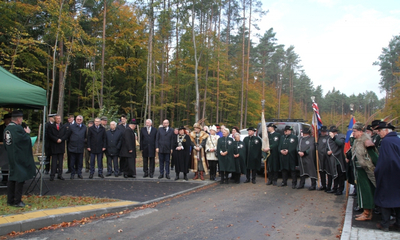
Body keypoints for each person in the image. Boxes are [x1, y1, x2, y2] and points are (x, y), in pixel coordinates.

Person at [3, 110, 35, 207]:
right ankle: (17, 201)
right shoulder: (18, 129)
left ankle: (10, 200)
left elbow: (6, 143)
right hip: (19, 157)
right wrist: (27, 133)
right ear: (18, 119)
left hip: (11, 156)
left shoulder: (7, 129)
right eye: (21, 118)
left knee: (12, 178)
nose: (22, 120)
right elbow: (25, 141)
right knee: (19, 178)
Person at [348, 122, 378, 221]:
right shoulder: (357, 141)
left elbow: (374, 157)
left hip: (366, 170)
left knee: (367, 191)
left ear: (361, 131)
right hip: (359, 170)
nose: (353, 133)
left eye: (355, 131)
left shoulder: (366, 141)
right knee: (362, 191)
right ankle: (365, 211)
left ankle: (367, 213)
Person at [374, 122, 400, 232]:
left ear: (386, 130)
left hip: (388, 175)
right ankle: (398, 224)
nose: (378, 133)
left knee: (384, 199)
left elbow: (385, 160)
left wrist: (377, 171)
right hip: (398, 175)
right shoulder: (398, 139)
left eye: (380, 131)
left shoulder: (386, 141)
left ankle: (385, 224)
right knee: (398, 199)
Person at [326, 126, 346, 195]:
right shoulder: (329, 139)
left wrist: (334, 138)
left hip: (339, 159)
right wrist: (328, 152)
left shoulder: (341, 136)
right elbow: (328, 147)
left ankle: (340, 189)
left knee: (340, 175)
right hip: (332, 159)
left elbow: (340, 143)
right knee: (335, 174)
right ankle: (334, 188)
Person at [48, 115, 68, 181]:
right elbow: (50, 135)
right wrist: (56, 139)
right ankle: (52, 175)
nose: (58, 120)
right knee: (54, 161)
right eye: (57, 119)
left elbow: (66, 135)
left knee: (60, 161)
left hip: (61, 145)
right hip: (54, 145)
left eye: (59, 118)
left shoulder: (63, 126)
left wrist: (61, 139)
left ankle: (60, 174)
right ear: (55, 119)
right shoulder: (51, 126)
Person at [67, 115, 87, 179]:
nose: (79, 120)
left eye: (80, 119)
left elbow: (85, 137)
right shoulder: (71, 127)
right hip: (72, 147)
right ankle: (72, 174)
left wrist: (84, 142)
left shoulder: (84, 127)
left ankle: (79, 173)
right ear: (75, 119)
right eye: (78, 119)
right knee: (72, 162)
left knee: (80, 162)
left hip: (80, 147)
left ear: (82, 120)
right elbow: (68, 136)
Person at [317, 126, 332, 191]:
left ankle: (329, 186)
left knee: (328, 172)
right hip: (320, 157)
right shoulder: (318, 138)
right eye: (322, 131)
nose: (323, 132)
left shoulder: (329, 138)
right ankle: (323, 185)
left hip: (327, 158)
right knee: (321, 172)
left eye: (324, 131)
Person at [0, 113, 11, 185]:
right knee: (4, 163)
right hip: (2, 147)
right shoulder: (1, 128)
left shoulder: (13, 128)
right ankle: (4, 179)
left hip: (11, 147)